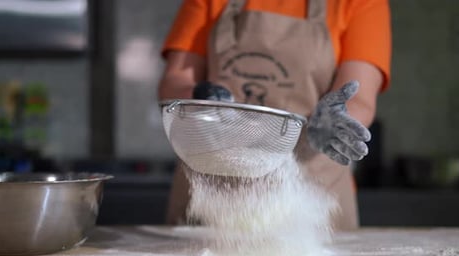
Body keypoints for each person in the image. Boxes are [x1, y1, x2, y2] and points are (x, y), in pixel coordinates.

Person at [158, 0, 391, 230]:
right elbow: (175, 81)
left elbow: (359, 97)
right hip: (209, 201)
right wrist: (200, 96)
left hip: (310, 209)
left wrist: (337, 117)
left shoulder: (359, 3)